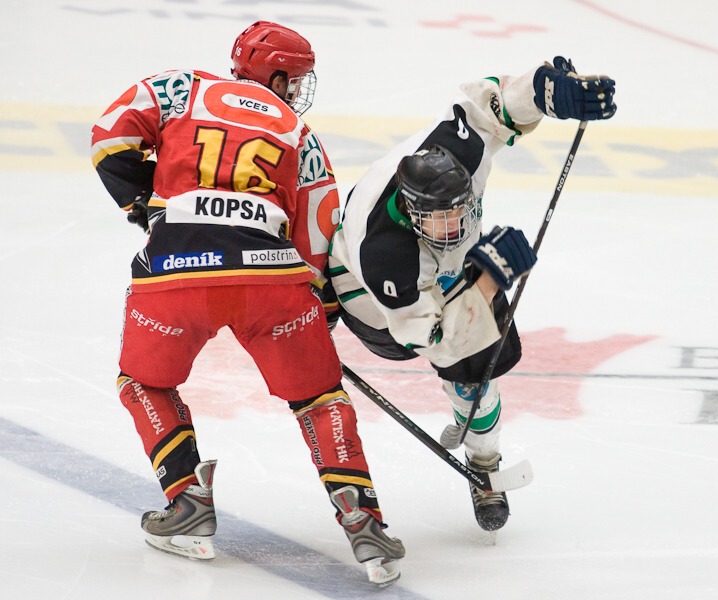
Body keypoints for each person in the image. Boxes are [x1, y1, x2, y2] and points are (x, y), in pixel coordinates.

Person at [90, 21, 404, 587]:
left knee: (142, 383)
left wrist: (143, 204)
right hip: (272, 276)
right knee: (319, 398)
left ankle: (187, 501)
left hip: (175, 271)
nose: (298, 90)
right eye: (296, 79)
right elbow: (319, 225)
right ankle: (364, 520)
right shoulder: (299, 132)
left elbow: (109, 138)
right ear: (276, 75)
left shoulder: (181, 89)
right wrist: (318, 313)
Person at [328, 57, 616, 531]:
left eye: (460, 212)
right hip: (373, 305)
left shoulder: (458, 152)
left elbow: (488, 105)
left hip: (439, 276)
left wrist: (547, 91)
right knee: (463, 354)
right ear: (412, 213)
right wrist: (490, 278)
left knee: (479, 379)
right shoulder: (385, 256)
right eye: (440, 220)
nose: (456, 227)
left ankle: (484, 463)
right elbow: (432, 340)